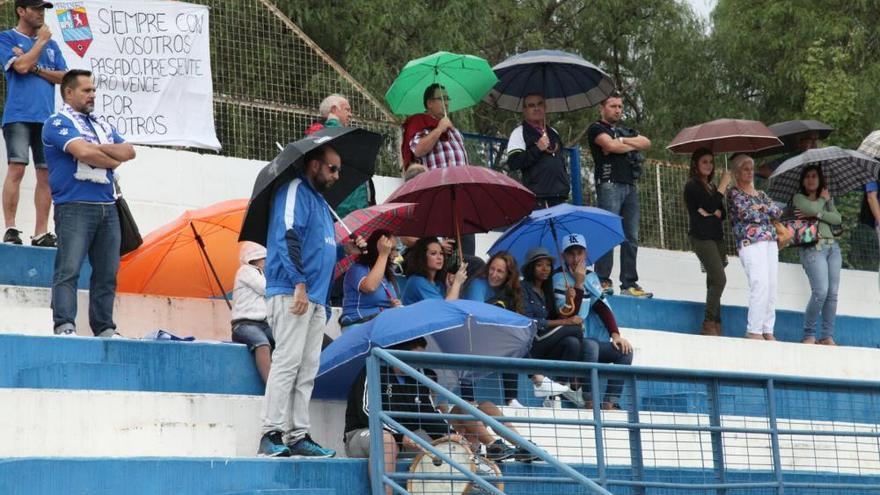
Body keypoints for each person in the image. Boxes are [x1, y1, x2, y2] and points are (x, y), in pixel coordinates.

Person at [258, 143, 364, 458]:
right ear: (314, 165)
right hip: (294, 292)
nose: (336, 175)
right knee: (287, 363)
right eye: (332, 168)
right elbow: (287, 235)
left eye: (339, 170)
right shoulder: (293, 190)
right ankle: (269, 434)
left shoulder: (320, 202)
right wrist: (299, 284)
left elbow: (321, 249)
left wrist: (348, 252)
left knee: (306, 369)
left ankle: (297, 434)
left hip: (316, 299)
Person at [42, 69, 134, 337]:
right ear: (68, 93)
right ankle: (64, 324)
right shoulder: (57, 122)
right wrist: (106, 154)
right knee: (68, 269)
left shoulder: (101, 124)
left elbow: (128, 152)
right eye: (86, 90)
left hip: (108, 206)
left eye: (94, 90)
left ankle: (104, 327)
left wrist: (98, 153)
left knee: (107, 272)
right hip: (74, 206)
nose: (93, 94)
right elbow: (81, 151)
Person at [1, 0, 68, 246]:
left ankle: (41, 232)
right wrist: (39, 43)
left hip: (46, 117)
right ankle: (10, 229)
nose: (41, 13)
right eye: (36, 9)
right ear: (21, 11)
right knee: (17, 169)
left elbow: (64, 77)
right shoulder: (7, 38)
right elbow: (19, 67)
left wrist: (35, 67)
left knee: (46, 174)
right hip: (18, 115)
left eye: (43, 9)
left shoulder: (52, 45)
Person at [551, 234, 633, 409]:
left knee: (625, 351)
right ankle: (589, 400)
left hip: (589, 339)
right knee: (591, 346)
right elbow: (570, 315)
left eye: (579, 253)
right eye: (570, 253)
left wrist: (616, 335)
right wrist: (579, 284)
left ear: (585, 254)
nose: (575, 258)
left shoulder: (592, 277)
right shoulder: (558, 278)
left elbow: (602, 306)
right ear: (563, 256)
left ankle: (610, 403)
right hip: (570, 341)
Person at [587, 92, 652, 298]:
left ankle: (629, 283)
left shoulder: (624, 130)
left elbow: (646, 142)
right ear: (602, 108)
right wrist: (622, 144)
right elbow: (610, 145)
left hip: (630, 185)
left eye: (620, 107)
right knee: (608, 231)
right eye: (613, 106)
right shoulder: (596, 128)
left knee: (631, 236)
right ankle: (603, 279)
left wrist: (622, 140)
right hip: (609, 184)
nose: (617, 110)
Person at [402, 83, 474, 256]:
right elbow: (418, 149)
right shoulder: (419, 123)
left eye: (447, 98)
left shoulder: (455, 131)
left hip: (461, 197)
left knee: (467, 254)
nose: (446, 102)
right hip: (439, 197)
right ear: (429, 104)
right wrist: (440, 128)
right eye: (441, 98)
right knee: (444, 254)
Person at [519, 247, 585, 407]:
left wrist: (570, 299)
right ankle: (574, 384)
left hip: (547, 341)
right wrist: (566, 322)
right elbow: (530, 321)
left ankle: (553, 395)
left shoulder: (546, 289)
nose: (545, 269)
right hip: (531, 342)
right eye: (539, 265)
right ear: (530, 268)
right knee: (575, 329)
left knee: (572, 343)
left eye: (548, 265)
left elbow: (559, 316)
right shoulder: (522, 287)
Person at [727, 153, 782, 340]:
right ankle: (754, 330)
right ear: (737, 172)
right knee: (759, 283)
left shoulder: (761, 195)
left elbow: (778, 212)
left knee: (772, 285)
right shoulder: (734, 192)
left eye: (751, 169)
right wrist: (763, 211)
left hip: (770, 241)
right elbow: (745, 214)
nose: (750, 172)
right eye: (745, 169)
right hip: (750, 242)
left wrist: (763, 209)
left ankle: (768, 329)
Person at [461, 251, 524, 406]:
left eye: (500, 271)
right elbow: (476, 315)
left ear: (509, 275)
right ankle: (468, 400)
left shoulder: (511, 292)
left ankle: (511, 400)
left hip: (494, 339)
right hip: (470, 334)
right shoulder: (478, 284)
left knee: (514, 343)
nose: (494, 274)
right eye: (492, 269)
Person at [683, 148, 731, 336]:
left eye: (711, 162)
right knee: (720, 279)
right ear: (696, 164)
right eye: (704, 162)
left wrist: (712, 209)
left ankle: (716, 323)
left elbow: (721, 212)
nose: (709, 165)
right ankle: (709, 322)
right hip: (702, 237)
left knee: (713, 280)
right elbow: (711, 206)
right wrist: (723, 186)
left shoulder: (710, 187)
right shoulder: (692, 185)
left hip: (716, 237)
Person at [792, 165, 842, 345]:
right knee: (820, 291)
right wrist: (822, 203)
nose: (811, 179)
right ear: (803, 181)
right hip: (813, 249)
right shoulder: (799, 198)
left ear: (820, 179)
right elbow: (811, 209)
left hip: (833, 248)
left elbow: (837, 219)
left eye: (814, 176)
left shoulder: (827, 199)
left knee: (832, 294)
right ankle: (809, 335)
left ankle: (827, 336)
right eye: (807, 176)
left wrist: (822, 207)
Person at [305, 94, 374, 218]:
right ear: (333, 110)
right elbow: (336, 140)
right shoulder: (318, 134)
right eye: (347, 109)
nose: (350, 114)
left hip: (356, 209)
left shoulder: (340, 134)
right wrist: (333, 122)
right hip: (341, 212)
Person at [505, 94, 570, 208]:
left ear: (545, 107)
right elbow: (513, 163)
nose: (536, 108)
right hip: (538, 198)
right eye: (531, 105)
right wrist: (537, 149)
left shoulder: (554, 132)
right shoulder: (519, 132)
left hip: (560, 196)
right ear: (525, 110)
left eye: (540, 104)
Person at [340, 229, 402, 327]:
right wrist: (383, 254)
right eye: (391, 248)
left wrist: (393, 306)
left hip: (381, 324)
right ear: (378, 248)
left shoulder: (387, 275)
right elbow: (370, 287)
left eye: (396, 249)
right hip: (359, 324)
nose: (396, 254)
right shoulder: (358, 269)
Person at [231, 242, 273, 382]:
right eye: (265, 259)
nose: (268, 262)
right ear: (254, 259)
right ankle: (270, 386)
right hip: (244, 325)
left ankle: (283, 381)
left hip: (263, 324)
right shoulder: (246, 271)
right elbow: (264, 288)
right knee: (262, 344)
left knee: (283, 341)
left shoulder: (261, 273)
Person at [401, 236, 467, 305]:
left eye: (441, 253)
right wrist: (457, 283)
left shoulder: (438, 284)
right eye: (433, 253)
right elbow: (445, 309)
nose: (439, 257)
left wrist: (449, 288)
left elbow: (446, 303)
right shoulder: (417, 281)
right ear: (422, 257)